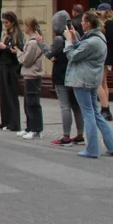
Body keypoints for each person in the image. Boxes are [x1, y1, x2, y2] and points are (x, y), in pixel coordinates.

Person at [64, 11, 113, 159]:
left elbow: (73, 56)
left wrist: (68, 41)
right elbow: (82, 49)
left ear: (88, 23)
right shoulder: (97, 38)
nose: (81, 23)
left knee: (88, 114)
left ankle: (92, 149)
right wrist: (75, 38)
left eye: (83, 21)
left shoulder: (91, 41)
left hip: (82, 80)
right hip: (91, 79)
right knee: (95, 113)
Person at [44, 11, 84, 146]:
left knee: (65, 105)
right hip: (74, 74)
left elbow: (49, 53)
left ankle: (66, 136)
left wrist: (40, 43)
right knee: (76, 105)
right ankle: (80, 134)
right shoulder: (75, 34)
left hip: (61, 75)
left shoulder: (59, 39)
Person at [0, 12, 23, 132]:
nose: (5, 25)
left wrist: (5, 48)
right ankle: (5, 121)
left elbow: (18, 49)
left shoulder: (17, 34)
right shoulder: (6, 33)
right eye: (4, 22)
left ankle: (14, 123)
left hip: (11, 66)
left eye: (7, 22)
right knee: (4, 94)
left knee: (11, 94)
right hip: (3, 64)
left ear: (13, 22)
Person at [16, 17, 45, 140]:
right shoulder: (32, 41)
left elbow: (26, 61)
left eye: (25, 26)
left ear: (29, 26)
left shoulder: (33, 43)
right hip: (29, 75)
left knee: (33, 103)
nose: (24, 28)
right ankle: (29, 127)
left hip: (33, 75)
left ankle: (36, 129)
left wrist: (18, 53)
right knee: (28, 102)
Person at [97, 3, 113, 121]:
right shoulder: (111, 23)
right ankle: (105, 107)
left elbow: (109, 41)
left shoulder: (108, 24)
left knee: (99, 83)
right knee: (104, 82)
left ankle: (105, 108)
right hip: (107, 56)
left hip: (104, 56)